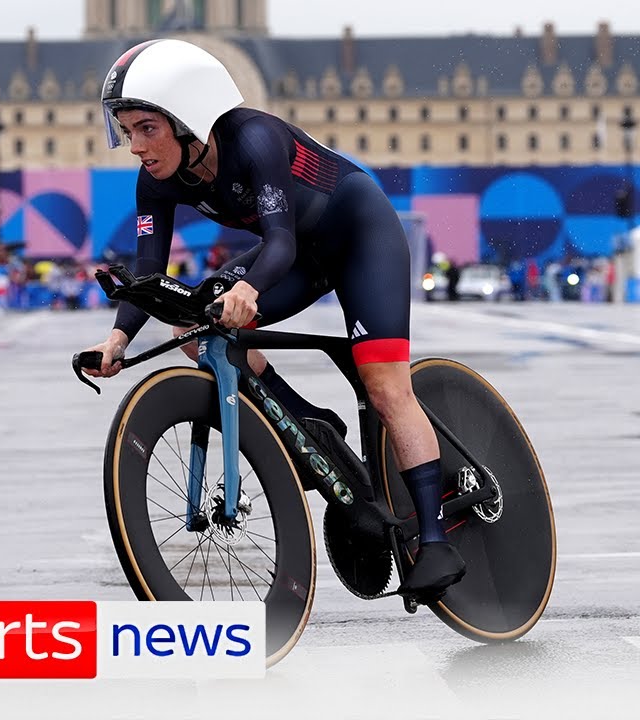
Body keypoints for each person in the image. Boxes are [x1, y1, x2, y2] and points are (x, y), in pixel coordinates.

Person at [78, 38, 464, 598]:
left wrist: (251, 289)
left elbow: (279, 240)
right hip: (299, 254)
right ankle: (311, 424)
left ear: (189, 121)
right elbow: (147, 273)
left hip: (360, 239)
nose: (136, 146)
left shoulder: (255, 138)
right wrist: (115, 339)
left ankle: (434, 540)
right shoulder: (156, 179)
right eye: (128, 130)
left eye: (147, 128)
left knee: (384, 387)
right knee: (191, 323)